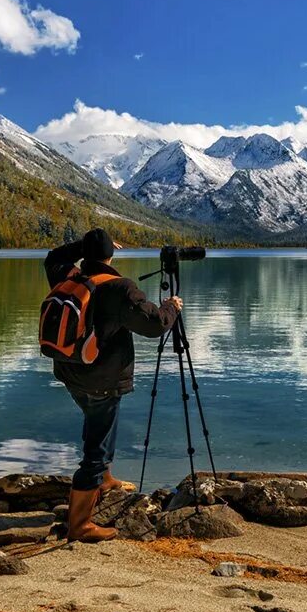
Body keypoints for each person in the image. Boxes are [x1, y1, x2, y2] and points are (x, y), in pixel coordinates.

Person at [44, 227, 182, 542]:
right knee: (96, 445)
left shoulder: (67, 277)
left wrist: (83, 246)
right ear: (111, 254)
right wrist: (172, 306)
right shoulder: (119, 288)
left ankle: (104, 479)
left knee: (97, 422)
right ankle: (79, 525)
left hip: (71, 373)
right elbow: (154, 325)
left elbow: (53, 256)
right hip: (102, 379)